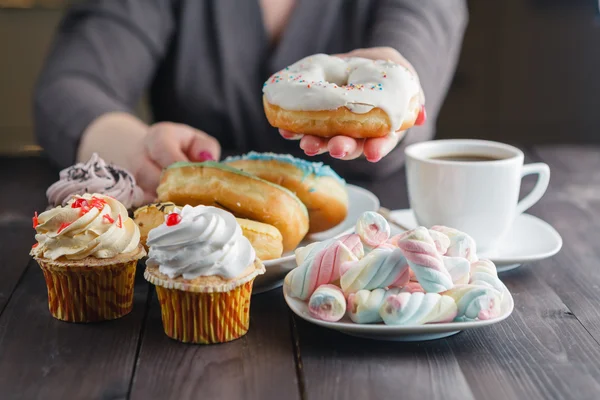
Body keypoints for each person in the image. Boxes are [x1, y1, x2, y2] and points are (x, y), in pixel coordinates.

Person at [34, 0, 468, 202]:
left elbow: (422, 27)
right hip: (193, 244)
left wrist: (399, 83)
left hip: (375, 252)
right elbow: (69, 87)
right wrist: (138, 148)